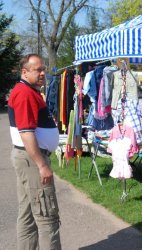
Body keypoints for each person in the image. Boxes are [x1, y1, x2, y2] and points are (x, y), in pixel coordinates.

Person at [8, 54, 61, 249]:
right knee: (47, 216)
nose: (42, 73)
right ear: (24, 72)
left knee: (29, 213)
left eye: (43, 69)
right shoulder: (24, 93)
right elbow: (26, 133)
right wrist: (41, 165)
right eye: (37, 70)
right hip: (32, 159)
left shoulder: (28, 91)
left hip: (28, 158)